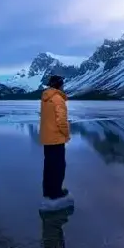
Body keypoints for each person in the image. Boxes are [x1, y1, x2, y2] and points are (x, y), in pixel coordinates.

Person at [39, 74, 73, 211]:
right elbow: (61, 121)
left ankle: (48, 191)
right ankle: (56, 192)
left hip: (47, 138)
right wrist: (66, 135)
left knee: (48, 166)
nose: (64, 86)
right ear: (59, 85)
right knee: (59, 166)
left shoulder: (45, 98)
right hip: (56, 138)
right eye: (62, 83)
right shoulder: (58, 99)